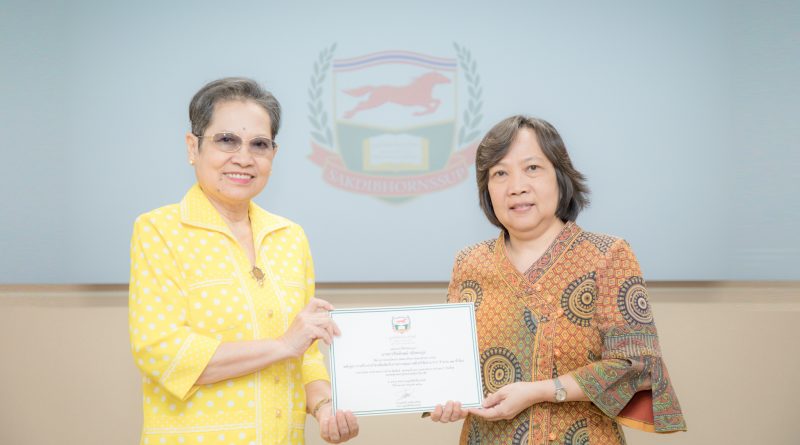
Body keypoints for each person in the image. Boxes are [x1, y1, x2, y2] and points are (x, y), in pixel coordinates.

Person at [128, 77, 359, 445]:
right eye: (226, 140)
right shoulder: (160, 230)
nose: (244, 158)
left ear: (273, 155)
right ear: (193, 147)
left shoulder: (289, 237)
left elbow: (306, 353)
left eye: (259, 145)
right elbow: (162, 352)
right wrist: (283, 345)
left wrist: (325, 407)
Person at [429, 116, 686, 444]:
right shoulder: (469, 263)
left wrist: (539, 391)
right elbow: (449, 366)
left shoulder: (607, 255)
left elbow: (637, 365)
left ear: (560, 176)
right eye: (500, 173)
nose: (517, 186)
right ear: (487, 189)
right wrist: (445, 398)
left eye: (532, 168)